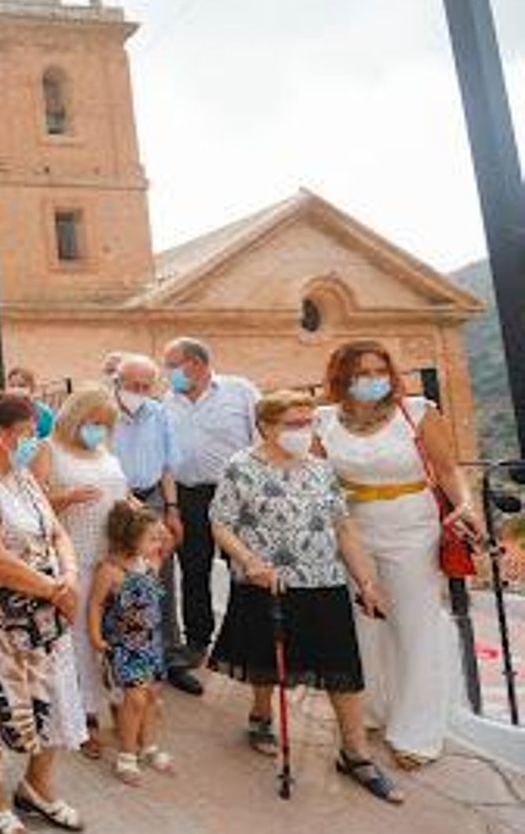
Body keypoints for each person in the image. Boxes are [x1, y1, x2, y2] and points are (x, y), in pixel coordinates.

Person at [208, 390, 403, 805]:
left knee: (341, 667)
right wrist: (249, 561)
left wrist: (366, 581)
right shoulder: (241, 467)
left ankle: (355, 755)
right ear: (266, 426)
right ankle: (261, 718)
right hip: (267, 580)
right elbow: (220, 523)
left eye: (308, 422)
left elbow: (343, 528)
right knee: (265, 659)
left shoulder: (320, 469)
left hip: (325, 580)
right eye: (293, 424)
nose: (304, 431)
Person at [315, 341, 481, 769]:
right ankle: (370, 709)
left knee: (414, 624)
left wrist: (465, 504)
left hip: (412, 526)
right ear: (342, 378)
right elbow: (313, 481)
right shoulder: (323, 420)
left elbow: (448, 469)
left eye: (379, 370)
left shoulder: (419, 411)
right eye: (361, 373)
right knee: (364, 626)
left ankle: (417, 732)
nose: (373, 380)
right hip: (351, 527)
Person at [0, 392, 86, 834]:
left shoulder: (23, 477)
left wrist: (70, 575)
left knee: (55, 695)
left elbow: (57, 532)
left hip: (47, 612)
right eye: (27, 434)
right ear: (1, 435)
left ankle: (38, 786)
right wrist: (54, 589)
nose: (34, 442)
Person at [32, 388, 128, 759]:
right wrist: (67, 497)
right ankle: (81, 716)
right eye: (93, 423)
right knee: (78, 643)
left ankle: (116, 701)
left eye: (106, 425)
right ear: (74, 418)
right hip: (73, 556)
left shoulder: (103, 451)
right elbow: (33, 501)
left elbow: (120, 491)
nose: (99, 430)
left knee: (109, 635)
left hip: (111, 557)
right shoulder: (47, 449)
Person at [162, 337, 258, 671]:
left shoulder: (240, 391)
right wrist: (172, 507)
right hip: (190, 496)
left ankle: (244, 640)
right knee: (193, 569)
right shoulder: (166, 403)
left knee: (242, 567)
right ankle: (197, 641)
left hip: (236, 493)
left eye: (172, 365)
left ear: (197, 363)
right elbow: (166, 460)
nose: (168, 373)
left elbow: (260, 437)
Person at [111, 354, 201, 697]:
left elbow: (167, 466)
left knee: (161, 577)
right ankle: (125, 655)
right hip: (115, 501)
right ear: (118, 382)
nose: (140, 391)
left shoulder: (158, 412)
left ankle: (170, 654)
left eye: (146, 386)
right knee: (119, 577)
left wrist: (172, 510)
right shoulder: (103, 413)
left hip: (152, 499)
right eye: (133, 386)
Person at [88, 502, 174, 786]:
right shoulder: (111, 570)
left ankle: (146, 745)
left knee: (150, 696)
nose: (158, 543)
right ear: (130, 539)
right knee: (134, 699)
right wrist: (95, 636)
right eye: (151, 538)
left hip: (151, 642)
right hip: (126, 645)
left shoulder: (150, 563)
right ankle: (126, 755)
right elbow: (97, 605)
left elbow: (167, 539)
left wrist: (157, 530)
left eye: (158, 538)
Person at [6, 367, 56, 439]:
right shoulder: (4, 412)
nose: (16, 389)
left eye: (22, 386)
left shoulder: (44, 412)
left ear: (32, 388)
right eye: (12, 386)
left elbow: (51, 437)